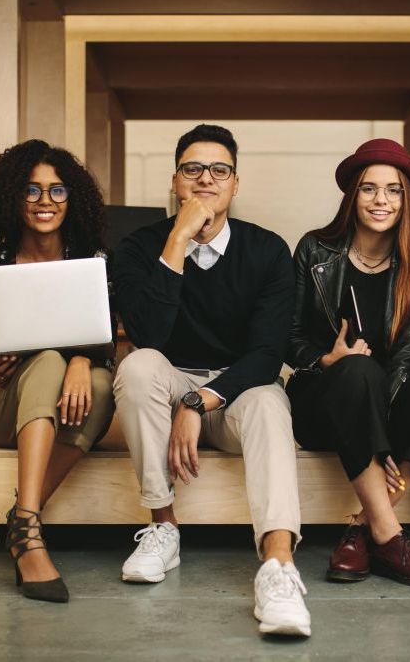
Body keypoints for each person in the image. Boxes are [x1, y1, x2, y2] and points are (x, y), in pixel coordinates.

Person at [112, 124, 310, 637]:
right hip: (167, 379)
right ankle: (163, 528)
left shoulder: (267, 250)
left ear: (235, 184)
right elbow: (147, 336)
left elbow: (268, 355)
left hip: (235, 392)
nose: (206, 179)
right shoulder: (138, 248)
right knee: (136, 367)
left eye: (218, 170)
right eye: (192, 169)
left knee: (271, 402)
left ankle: (278, 566)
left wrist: (198, 403)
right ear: (175, 180)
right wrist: (177, 238)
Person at [287, 139, 410, 586]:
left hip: (389, 399)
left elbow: (408, 357)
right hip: (323, 402)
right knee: (356, 370)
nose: (381, 200)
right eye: (369, 189)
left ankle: (362, 528)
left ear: (406, 200)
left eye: (393, 190)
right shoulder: (314, 251)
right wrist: (327, 358)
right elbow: (288, 339)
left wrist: (379, 439)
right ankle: (391, 535)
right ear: (352, 196)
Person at [0, 140, 116, 603]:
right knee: (47, 360)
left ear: (74, 198)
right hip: (2, 407)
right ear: (12, 197)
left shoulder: (95, 265)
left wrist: (85, 358)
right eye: (32, 190)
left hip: (69, 407)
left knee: (104, 385)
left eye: (57, 191)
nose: (45, 201)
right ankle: (30, 536)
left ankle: (22, 521)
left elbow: (106, 344)